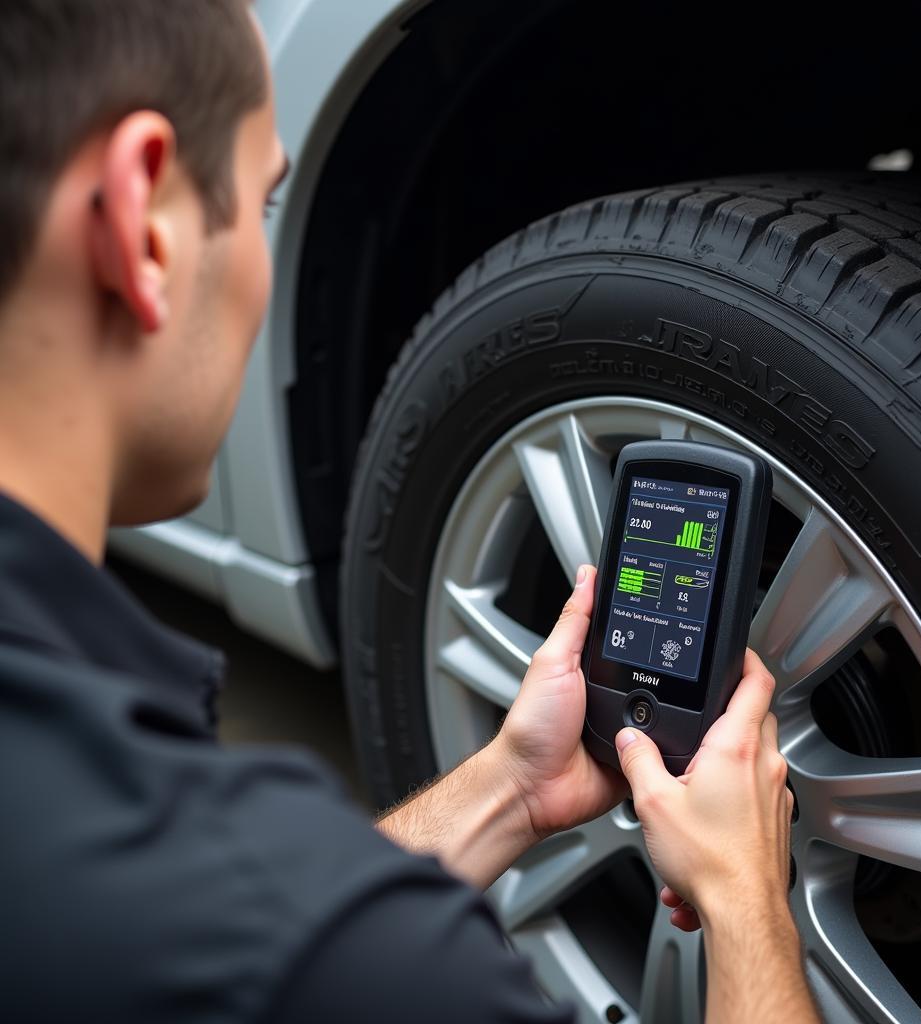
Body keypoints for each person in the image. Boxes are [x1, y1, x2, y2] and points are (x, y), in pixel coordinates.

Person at [0, 2, 819, 1021]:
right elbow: (293, 939)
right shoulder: (297, 938)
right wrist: (748, 898)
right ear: (145, 225)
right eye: (264, 203)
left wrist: (514, 788)